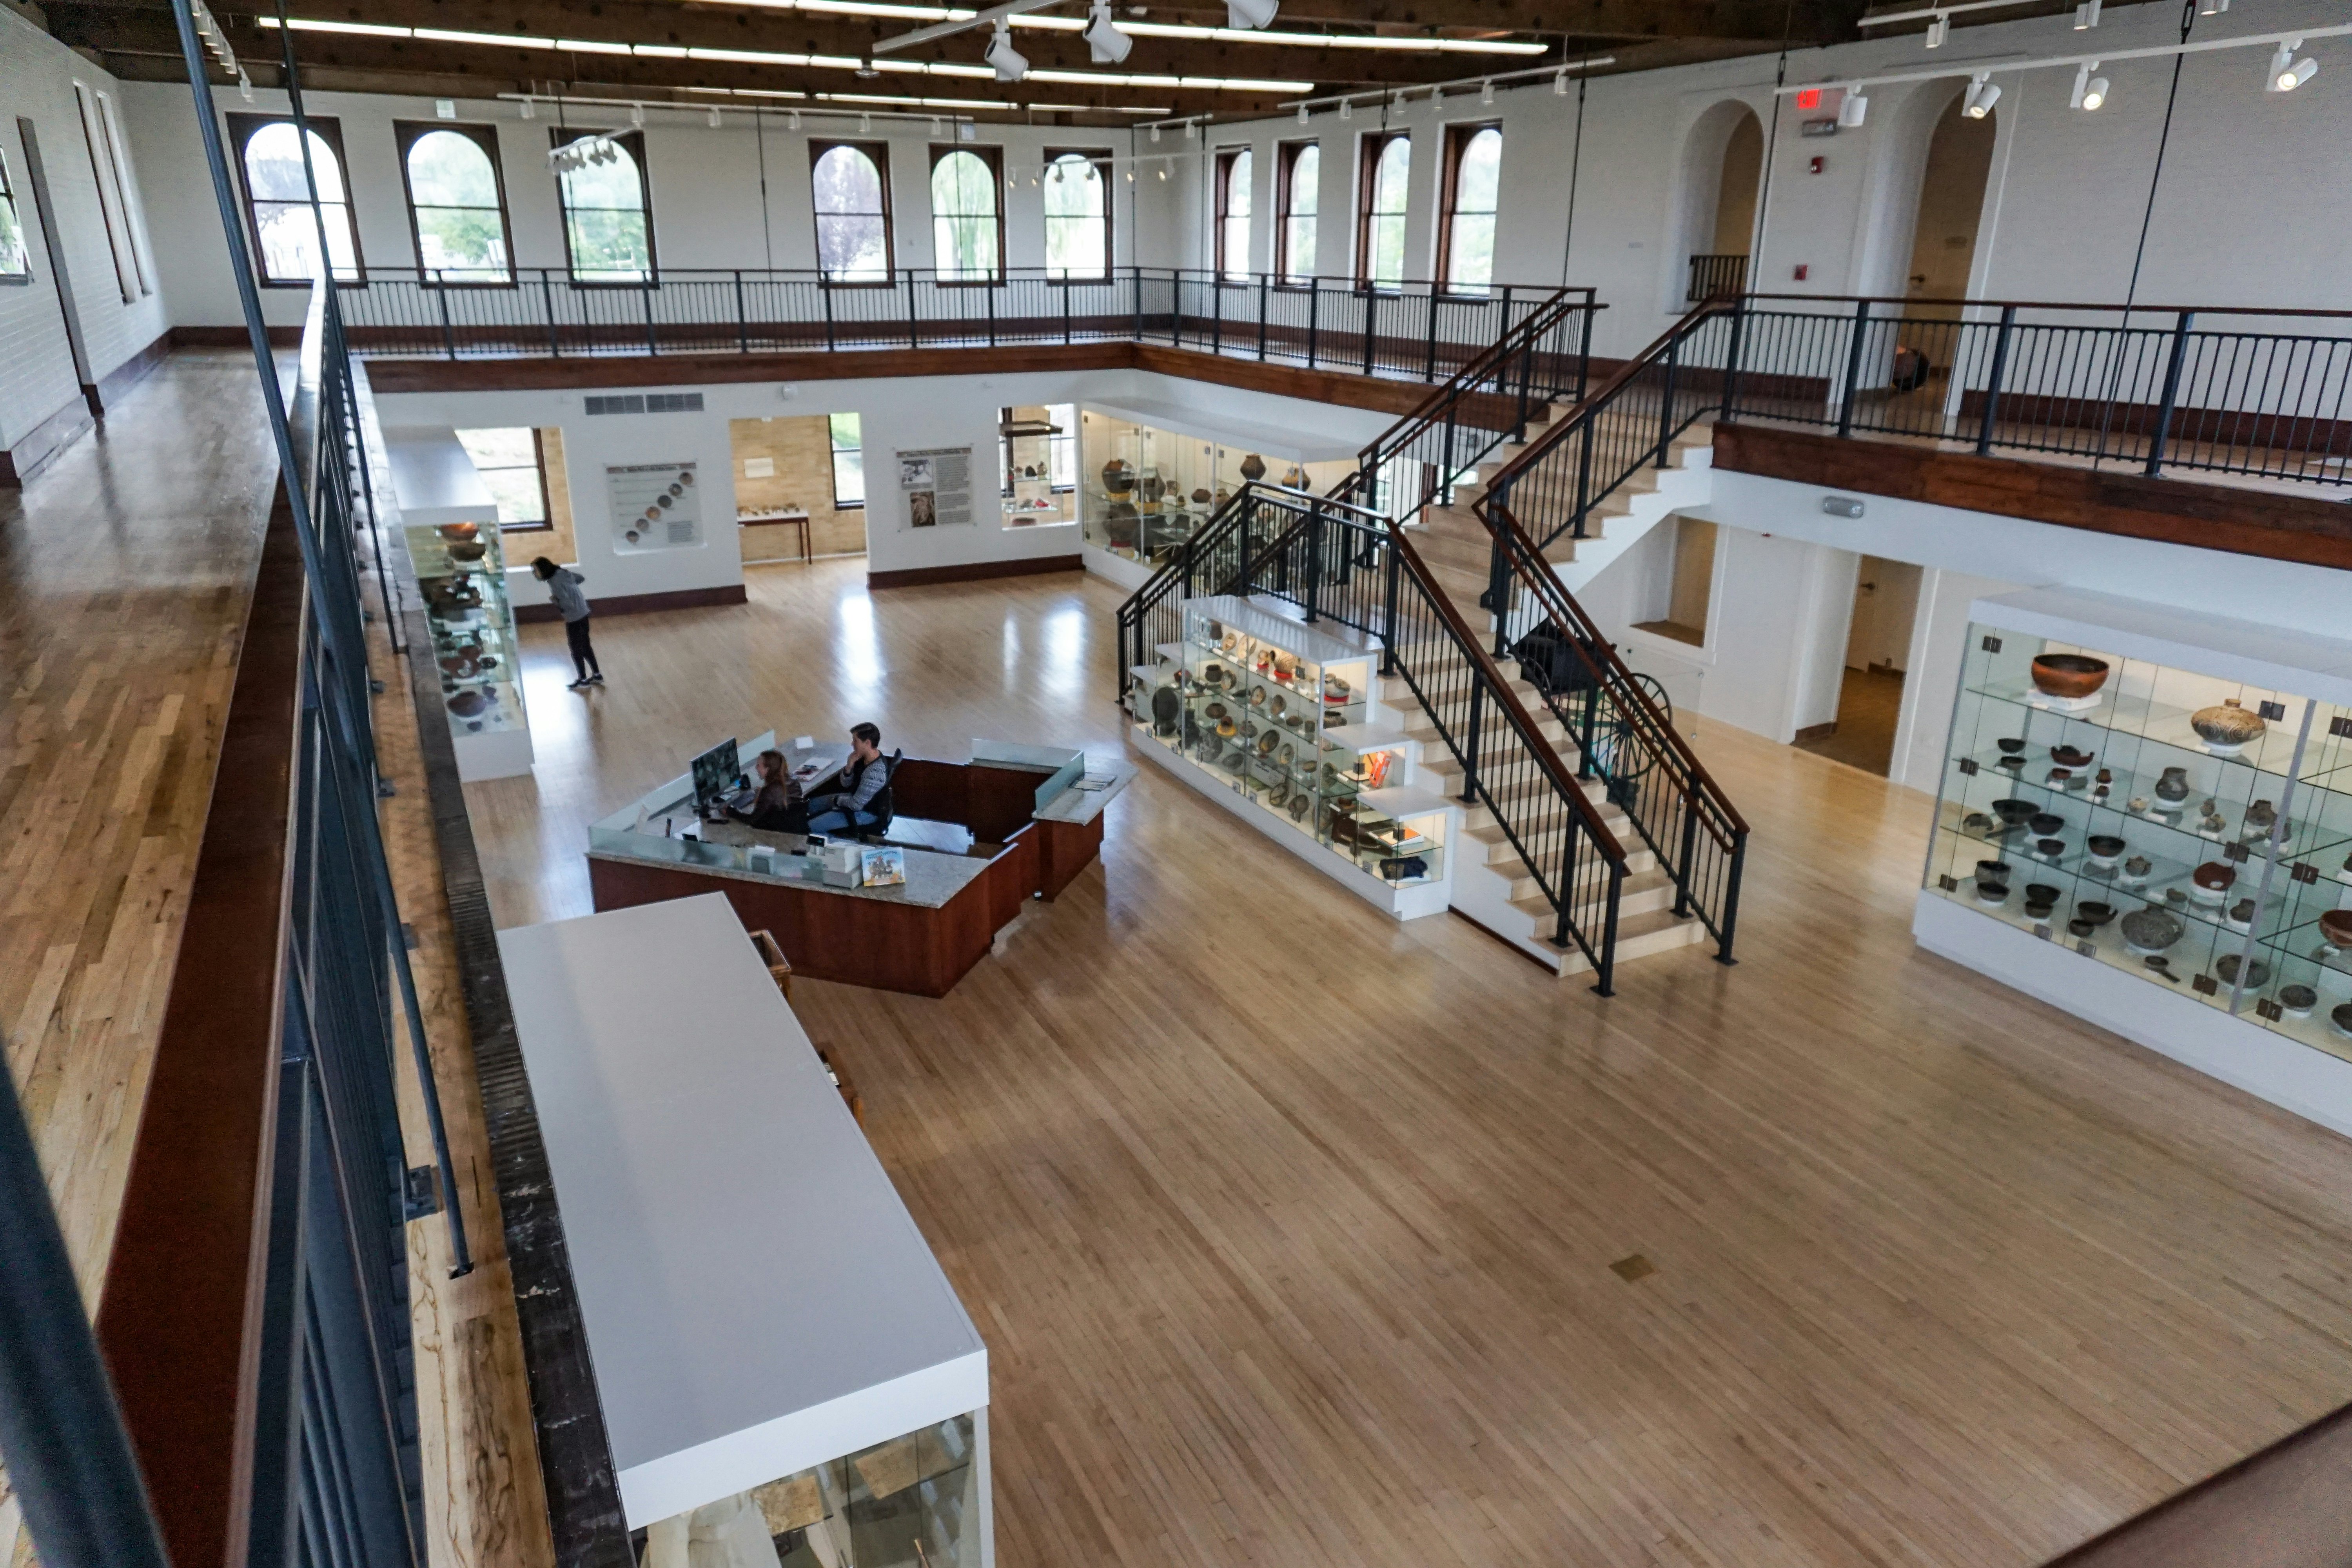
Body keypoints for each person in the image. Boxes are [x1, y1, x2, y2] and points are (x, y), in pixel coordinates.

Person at [806, 722, 889, 838]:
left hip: (865, 812)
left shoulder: (875, 772)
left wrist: (836, 801)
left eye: (855, 741)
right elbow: (846, 784)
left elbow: (856, 805)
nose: (852, 744)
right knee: (811, 806)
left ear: (867, 743)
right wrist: (849, 766)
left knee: (812, 827)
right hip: (853, 799)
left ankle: (842, 844)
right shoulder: (863, 758)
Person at [532, 557, 603, 689]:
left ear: (544, 569)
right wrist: (571, 588)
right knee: (586, 645)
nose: (535, 573)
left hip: (574, 617)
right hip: (584, 611)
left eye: (536, 570)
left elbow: (566, 603)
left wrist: (556, 602)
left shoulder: (554, 581)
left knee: (576, 649)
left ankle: (583, 680)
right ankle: (597, 675)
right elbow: (580, 578)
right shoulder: (563, 573)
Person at [719, 749, 808, 834]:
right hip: (794, 828)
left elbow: (752, 820)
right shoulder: (794, 781)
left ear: (768, 769)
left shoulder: (769, 791)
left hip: (777, 834)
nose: (756, 768)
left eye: (758, 765)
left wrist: (731, 812)